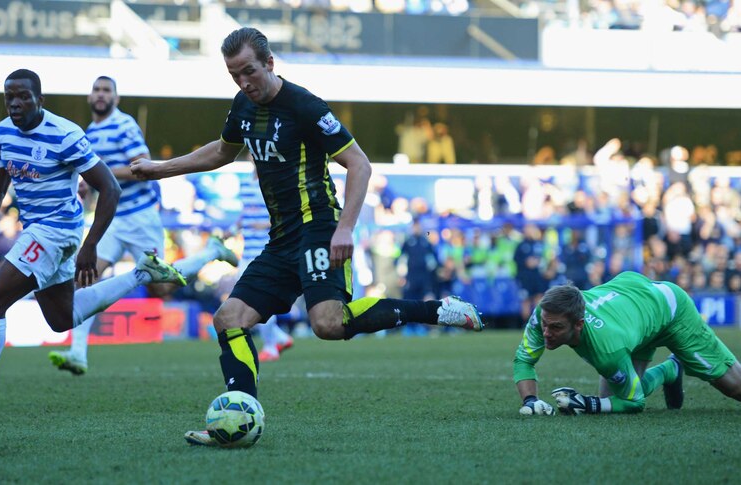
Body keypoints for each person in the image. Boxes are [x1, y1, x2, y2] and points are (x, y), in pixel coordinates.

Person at [129, 27, 483, 446]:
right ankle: (238, 419)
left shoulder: (305, 106)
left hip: (319, 227)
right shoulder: (243, 105)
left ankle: (436, 311)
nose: (244, 83)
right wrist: (159, 168)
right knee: (229, 319)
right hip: (282, 239)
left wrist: (346, 227)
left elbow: (360, 165)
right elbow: (222, 151)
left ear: (270, 64)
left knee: (328, 324)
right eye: (234, 75)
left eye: (249, 72)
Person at [0, 69, 186, 417]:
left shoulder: (65, 133)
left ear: (41, 99)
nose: (16, 103)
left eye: (24, 96)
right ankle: (140, 275)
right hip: (37, 229)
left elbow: (109, 187)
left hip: (57, 230)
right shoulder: (3, 133)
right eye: (10, 97)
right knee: (61, 318)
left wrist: (90, 244)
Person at [47, 75, 237, 376]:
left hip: (140, 216)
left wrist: (100, 175)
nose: (100, 94)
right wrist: (88, 185)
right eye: (96, 89)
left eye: (106, 90)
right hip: (112, 218)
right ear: (88, 97)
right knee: (85, 277)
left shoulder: (124, 125)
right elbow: (94, 176)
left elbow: (142, 166)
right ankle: (78, 353)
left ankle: (210, 251)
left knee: (162, 286)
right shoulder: (90, 133)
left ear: (116, 98)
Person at [514, 271, 741, 416]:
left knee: (734, 387)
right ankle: (670, 370)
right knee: (610, 402)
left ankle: (671, 368)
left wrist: (586, 403)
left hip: (670, 310)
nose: (546, 332)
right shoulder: (545, 314)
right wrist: (531, 401)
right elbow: (523, 360)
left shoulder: (607, 348)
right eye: (545, 324)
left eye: (556, 328)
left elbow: (634, 402)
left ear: (579, 325)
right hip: (631, 308)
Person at [238, 168, 294, 362]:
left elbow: (283, 215)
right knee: (248, 298)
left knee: (258, 299)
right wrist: (236, 226)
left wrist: (262, 224)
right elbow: (245, 212)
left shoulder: (274, 180)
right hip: (247, 249)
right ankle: (279, 338)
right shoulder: (244, 183)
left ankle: (271, 346)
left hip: (264, 249)